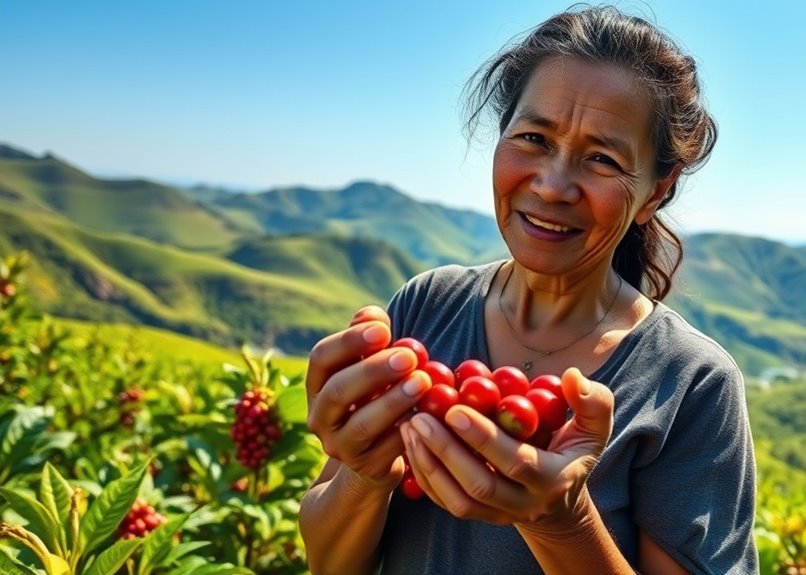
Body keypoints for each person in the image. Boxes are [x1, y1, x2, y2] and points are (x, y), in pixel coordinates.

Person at [299, 5, 757, 574]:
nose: (553, 185)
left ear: (654, 193)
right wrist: (367, 475)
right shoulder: (426, 304)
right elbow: (329, 561)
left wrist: (564, 523)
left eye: (602, 159)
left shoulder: (691, 384)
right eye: (534, 138)